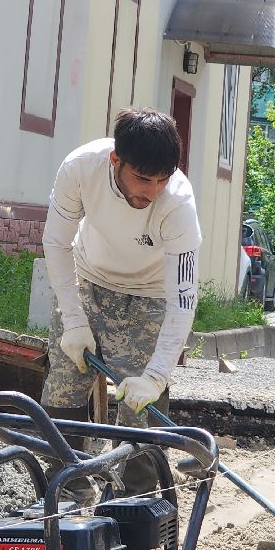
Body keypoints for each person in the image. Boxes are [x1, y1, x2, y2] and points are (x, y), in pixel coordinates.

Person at [41, 108, 201, 494]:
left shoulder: (177, 204)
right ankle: (68, 485)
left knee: (139, 410)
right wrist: (74, 320)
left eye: (162, 180)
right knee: (64, 384)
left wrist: (156, 376)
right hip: (89, 276)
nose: (152, 190)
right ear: (116, 160)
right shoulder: (81, 169)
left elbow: (183, 298)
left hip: (150, 295)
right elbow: (57, 243)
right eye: (143, 179)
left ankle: (137, 502)